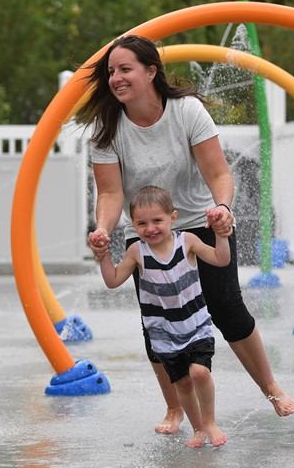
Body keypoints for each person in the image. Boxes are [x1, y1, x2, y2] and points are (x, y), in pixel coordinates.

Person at [77, 34, 294, 434]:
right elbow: (110, 192)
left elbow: (218, 172)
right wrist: (103, 230)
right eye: (111, 71)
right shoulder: (106, 127)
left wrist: (223, 210)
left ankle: (270, 387)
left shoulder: (186, 111)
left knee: (226, 307)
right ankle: (175, 409)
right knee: (159, 322)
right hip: (145, 232)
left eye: (125, 69)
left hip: (196, 219)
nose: (116, 78)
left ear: (150, 71)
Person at [93, 186, 229, 448]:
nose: (151, 228)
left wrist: (221, 236)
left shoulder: (187, 241)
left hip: (195, 324)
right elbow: (113, 280)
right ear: (133, 225)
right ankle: (198, 429)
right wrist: (104, 257)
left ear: (172, 217)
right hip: (164, 334)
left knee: (200, 373)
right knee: (183, 383)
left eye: (157, 220)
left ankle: (209, 421)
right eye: (142, 223)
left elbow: (220, 260)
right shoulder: (137, 252)